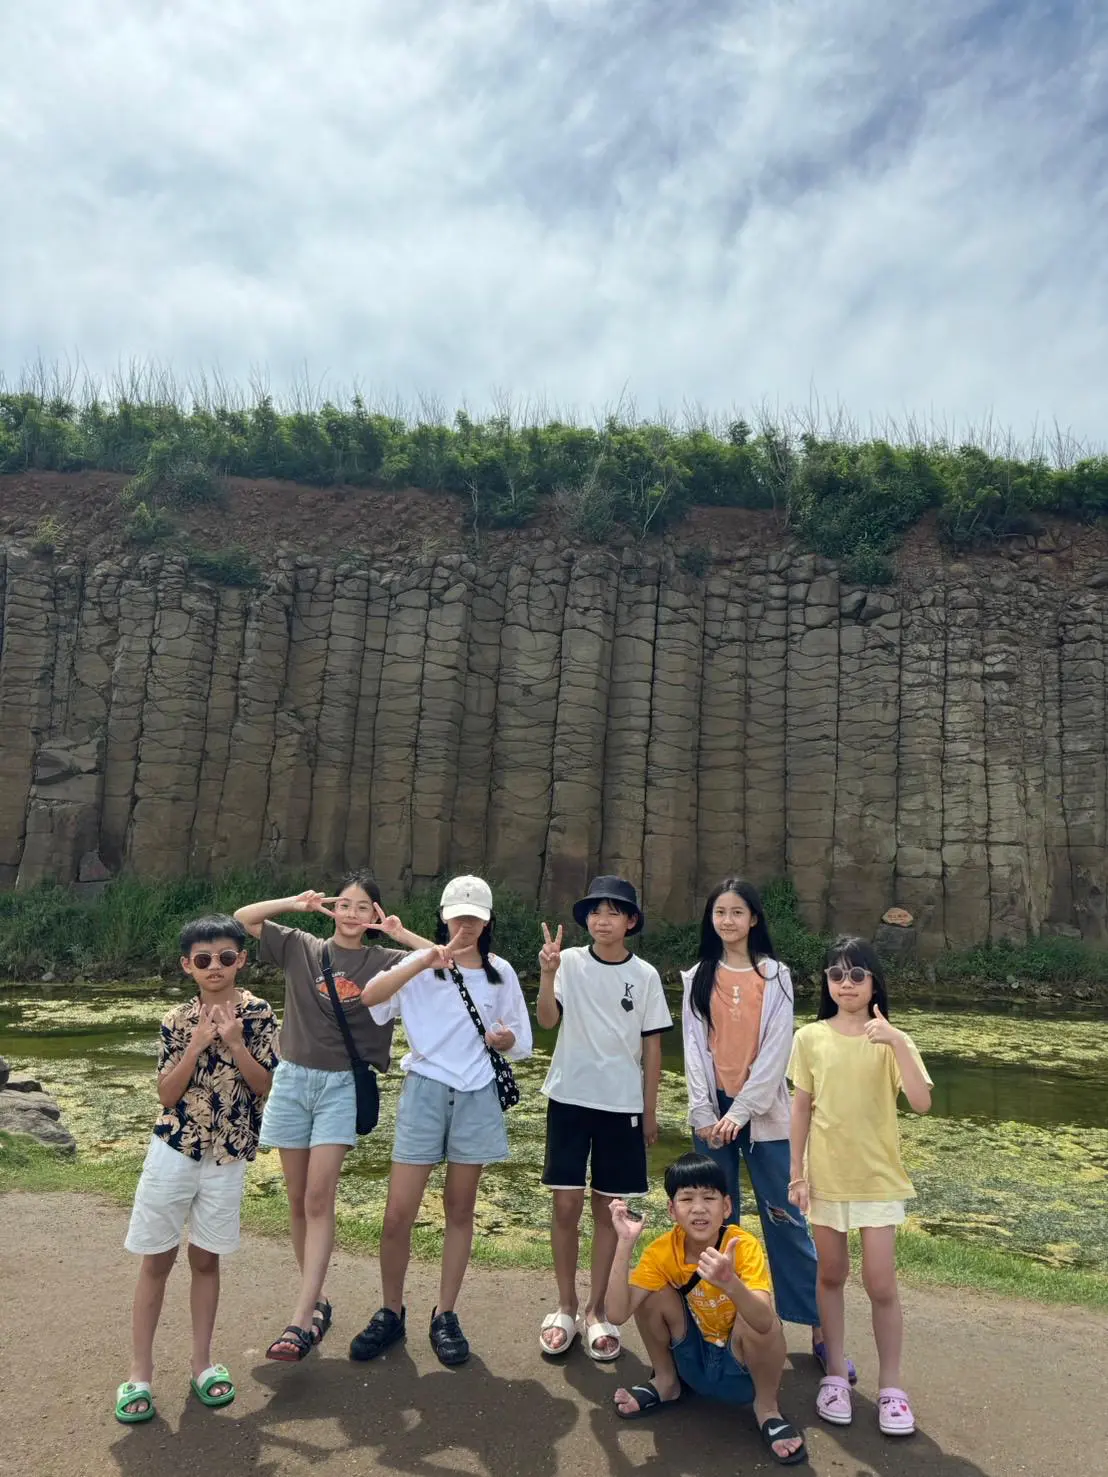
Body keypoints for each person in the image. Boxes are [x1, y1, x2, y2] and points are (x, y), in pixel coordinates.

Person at [233, 873, 432, 1363]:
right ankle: (317, 1300)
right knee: (298, 1199)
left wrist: (398, 933)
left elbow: (442, 958)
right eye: (344, 904)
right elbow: (244, 919)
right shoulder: (302, 946)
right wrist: (296, 903)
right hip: (292, 1080)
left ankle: (300, 1319)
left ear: (374, 914)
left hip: (341, 1086)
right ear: (332, 908)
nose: (351, 914)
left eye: (362, 907)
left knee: (319, 1197)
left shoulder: (383, 960)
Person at [348, 876, 532, 1366]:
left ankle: (445, 1313)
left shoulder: (500, 973)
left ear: (487, 922)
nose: (465, 925)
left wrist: (506, 1041)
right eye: (457, 916)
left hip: (477, 1093)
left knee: (459, 1208)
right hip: (425, 1090)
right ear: (444, 917)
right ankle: (391, 1311)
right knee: (397, 1213)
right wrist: (422, 958)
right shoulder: (418, 964)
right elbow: (370, 998)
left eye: (474, 918)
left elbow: (523, 1041)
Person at [683, 877, 854, 1380]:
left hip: (765, 1115)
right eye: (720, 912)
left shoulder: (776, 976)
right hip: (710, 1114)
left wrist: (740, 1113)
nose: (728, 921)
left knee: (785, 1219)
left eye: (737, 912)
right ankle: (716, 1327)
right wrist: (704, 1112)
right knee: (711, 1221)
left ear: (753, 918)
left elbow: (779, 1049)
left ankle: (822, 1330)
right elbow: (693, 1048)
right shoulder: (697, 975)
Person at [115, 915, 279, 1424]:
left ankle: (202, 1364)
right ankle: (139, 1373)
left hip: (227, 1155)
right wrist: (197, 1044)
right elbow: (166, 1095)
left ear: (241, 960)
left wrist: (234, 1042)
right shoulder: (175, 1019)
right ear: (187, 965)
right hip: (175, 1150)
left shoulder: (259, 1014)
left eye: (226, 957)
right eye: (203, 959)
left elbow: (264, 1086)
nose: (215, 967)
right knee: (156, 1261)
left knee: (206, 1261)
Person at [788, 936, 933, 1437]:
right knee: (831, 1275)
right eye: (836, 974)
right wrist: (797, 1174)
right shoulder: (810, 1037)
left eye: (856, 974)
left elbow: (921, 1103)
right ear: (825, 982)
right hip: (827, 1179)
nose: (845, 984)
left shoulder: (892, 1038)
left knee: (880, 1283)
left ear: (874, 981)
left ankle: (892, 1388)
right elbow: (801, 1109)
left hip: (878, 1180)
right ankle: (834, 1375)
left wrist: (896, 1042)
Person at [536, 875, 672, 1361]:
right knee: (565, 1206)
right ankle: (565, 1306)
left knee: (608, 1213)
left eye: (614, 912)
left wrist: (649, 1111)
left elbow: (652, 1048)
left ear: (630, 922)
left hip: (621, 1107)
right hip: (569, 1099)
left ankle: (597, 1311)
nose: (603, 920)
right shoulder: (569, 962)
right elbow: (547, 1020)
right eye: (596, 911)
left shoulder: (646, 975)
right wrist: (547, 974)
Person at [605, 1152, 807, 1467]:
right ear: (671, 1209)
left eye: (709, 1197)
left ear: (726, 1206)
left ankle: (767, 1409)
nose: (698, 1208)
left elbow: (765, 1323)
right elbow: (617, 1314)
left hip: (741, 1371)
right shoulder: (661, 1252)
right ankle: (667, 1382)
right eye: (686, 1199)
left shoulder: (742, 1245)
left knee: (759, 1318)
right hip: (693, 1362)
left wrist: (730, 1283)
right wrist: (625, 1243)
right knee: (652, 1294)